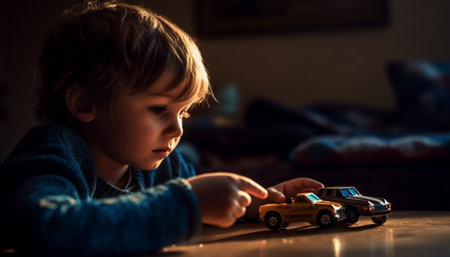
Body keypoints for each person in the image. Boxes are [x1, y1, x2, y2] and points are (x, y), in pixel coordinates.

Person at [0, 1, 323, 256]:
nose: (177, 129)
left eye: (183, 112)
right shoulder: (54, 152)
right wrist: (188, 202)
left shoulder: (163, 165)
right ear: (86, 104)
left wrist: (257, 203)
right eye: (158, 109)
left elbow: (194, 208)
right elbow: (44, 230)